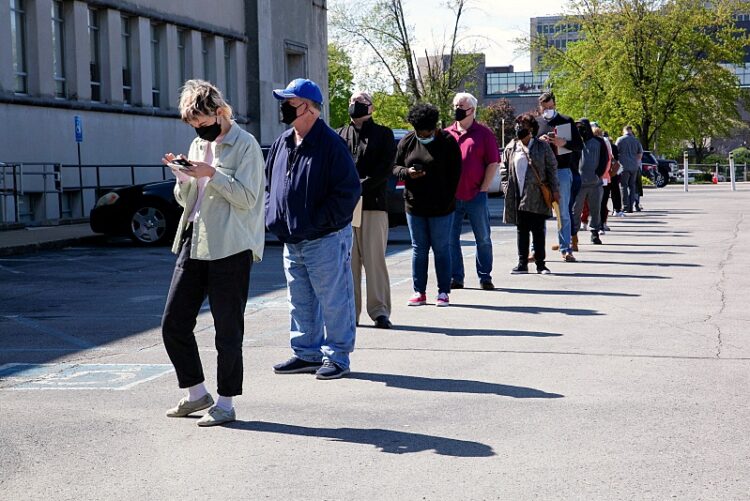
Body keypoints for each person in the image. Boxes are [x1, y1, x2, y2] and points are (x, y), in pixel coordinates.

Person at [161, 79, 266, 427]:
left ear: (220, 113)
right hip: (195, 239)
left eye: (203, 124)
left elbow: (248, 199)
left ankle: (225, 403)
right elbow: (187, 200)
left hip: (231, 246)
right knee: (173, 322)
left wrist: (212, 174)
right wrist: (182, 177)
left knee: (227, 330)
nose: (200, 132)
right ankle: (196, 393)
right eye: (194, 126)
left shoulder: (245, 144)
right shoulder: (195, 144)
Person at [265, 78, 361, 380]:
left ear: (307, 108)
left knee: (334, 299)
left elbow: (348, 193)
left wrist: (318, 221)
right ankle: (306, 353)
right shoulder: (283, 142)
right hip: (292, 239)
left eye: (289, 102)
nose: (283, 108)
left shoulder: (331, 143)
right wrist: (274, 215)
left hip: (325, 239)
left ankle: (338, 357)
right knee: (300, 300)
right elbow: (271, 184)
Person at [337, 91, 396, 329]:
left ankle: (379, 311)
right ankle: (351, 313)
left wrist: (357, 187)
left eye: (360, 102)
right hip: (346, 209)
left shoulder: (383, 134)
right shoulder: (339, 134)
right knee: (348, 264)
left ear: (371, 108)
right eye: (352, 102)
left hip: (373, 204)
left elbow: (384, 169)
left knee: (374, 261)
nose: (354, 105)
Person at [394, 103, 462, 307]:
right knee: (419, 249)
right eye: (419, 132)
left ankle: (443, 292)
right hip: (415, 206)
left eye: (427, 132)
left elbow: (455, 175)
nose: (423, 135)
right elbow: (394, 166)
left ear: (434, 128)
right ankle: (419, 291)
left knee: (441, 249)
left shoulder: (448, 142)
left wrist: (447, 199)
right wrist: (407, 173)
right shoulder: (407, 140)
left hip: (442, 207)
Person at [445, 92, 500, 290]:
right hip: (452, 197)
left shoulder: (484, 134)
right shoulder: (446, 134)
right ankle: (456, 277)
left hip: (476, 195)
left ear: (472, 110)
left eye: (461, 107)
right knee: (451, 239)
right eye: (455, 106)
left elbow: (493, 163)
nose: (457, 110)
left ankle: (485, 276)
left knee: (483, 237)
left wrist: (483, 189)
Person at [501, 112, 559, 274]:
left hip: (538, 194)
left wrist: (555, 190)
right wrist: (506, 186)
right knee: (522, 229)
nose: (519, 129)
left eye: (523, 126)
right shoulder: (511, 147)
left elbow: (551, 168)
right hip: (517, 195)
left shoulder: (542, 146)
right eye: (518, 125)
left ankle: (541, 264)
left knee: (538, 229)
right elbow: (503, 168)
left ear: (532, 129)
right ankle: (522, 263)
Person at [536, 91, 584, 262]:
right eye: (545, 107)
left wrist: (564, 143)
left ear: (554, 105)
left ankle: (566, 248)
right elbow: (528, 145)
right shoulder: (537, 122)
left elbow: (579, 145)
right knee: (539, 212)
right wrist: (538, 141)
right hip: (541, 172)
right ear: (540, 107)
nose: (548, 110)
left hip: (562, 169)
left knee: (563, 212)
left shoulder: (566, 121)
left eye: (550, 107)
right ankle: (536, 251)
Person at [571, 119, 608, 246]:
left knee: (595, 209)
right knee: (576, 209)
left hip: (595, 182)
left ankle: (595, 233)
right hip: (579, 183)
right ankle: (573, 234)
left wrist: (598, 174)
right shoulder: (576, 142)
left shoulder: (599, 142)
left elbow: (605, 158)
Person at [615, 125, 643, 213]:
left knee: (623, 186)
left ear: (624, 130)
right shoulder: (636, 140)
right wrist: (634, 160)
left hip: (624, 166)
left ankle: (626, 206)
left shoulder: (620, 140)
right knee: (632, 186)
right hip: (634, 166)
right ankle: (631, 206)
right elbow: (640, 155)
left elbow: (615, 152)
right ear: (631, 131)